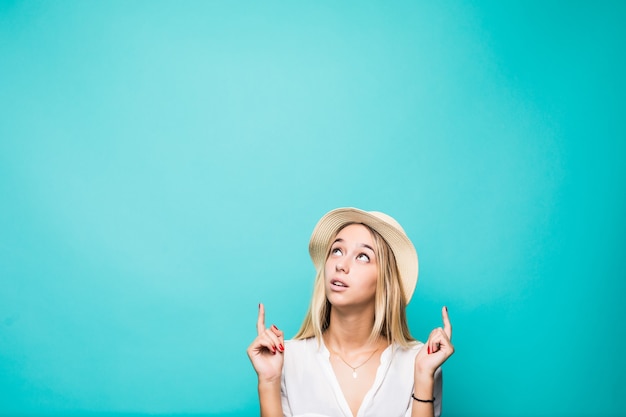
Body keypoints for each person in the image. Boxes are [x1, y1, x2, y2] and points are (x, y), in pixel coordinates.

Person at [247, 207, 454, 417]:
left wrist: (423, 377)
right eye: (337, 251)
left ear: (385, 281)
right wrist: (269, 381)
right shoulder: (286, 361)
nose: (341, 265)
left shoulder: (419, 363)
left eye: (363, 256)